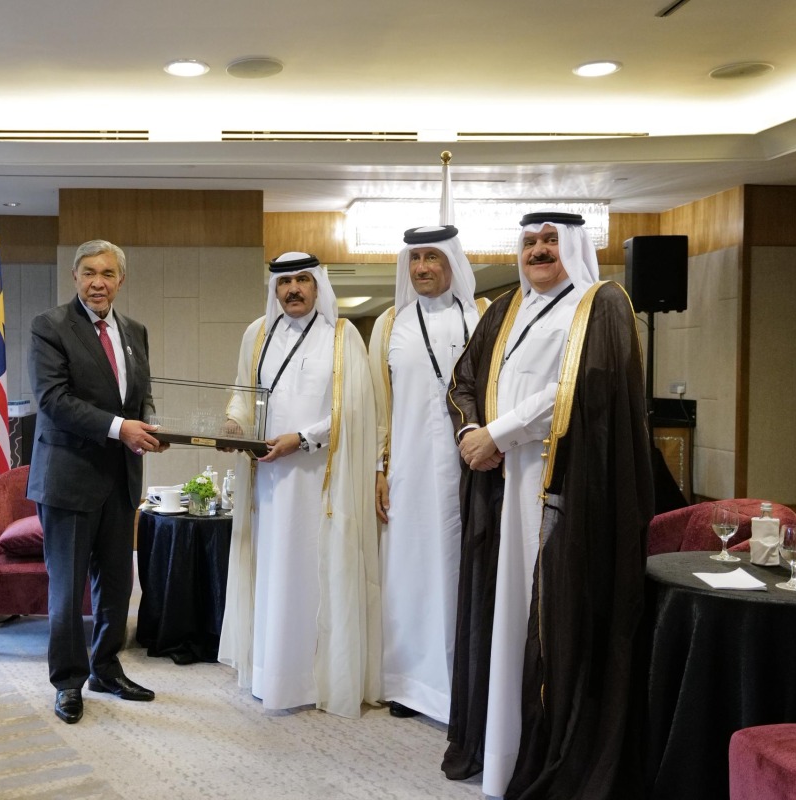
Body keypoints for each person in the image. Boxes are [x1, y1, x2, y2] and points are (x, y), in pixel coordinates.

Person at [441, 212, 653, 799]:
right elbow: (462, 379)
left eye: (550, 242)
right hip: (497, 483)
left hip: (558, 489)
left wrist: (498, 433)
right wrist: (471, 434)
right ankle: (499, 746)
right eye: (530, 242)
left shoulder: (599, 304)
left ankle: (542, 748)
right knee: (500, 612)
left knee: (544, 617)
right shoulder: (505, 307)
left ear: (574, 247)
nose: (538, 251)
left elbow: (581, 385)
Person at [218, 251, 380, 718]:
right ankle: (271, 674)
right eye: (285, 282)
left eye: (303, 280)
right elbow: (242, 391)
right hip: (267, 481)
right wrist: (234, 424)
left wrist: (303, 439)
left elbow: (353, 409)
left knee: (311, 571)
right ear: (274, 288)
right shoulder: (257, 334)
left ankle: (313, 679)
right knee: (272, 570)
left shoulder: (342, 337)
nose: (293, 290)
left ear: (318, 285)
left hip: (318, 482)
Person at [27, 239, 165, 725]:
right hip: (67, 478)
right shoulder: (50, 327)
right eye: (89, 272)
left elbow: (139, 397)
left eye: (107, 273)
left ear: (121, 279)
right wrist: (119, 428)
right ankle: (68, 681)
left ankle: (106, 668)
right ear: (75, 277)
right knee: (67, 590)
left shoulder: (136, 331)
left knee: (117, 585)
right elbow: (53, 399)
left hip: (121, 478)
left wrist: (150, 427)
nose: (98, 282)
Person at [368, 225, 480, 723]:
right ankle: (408, 683)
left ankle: (460, 682)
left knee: (459, 571)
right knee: (407, 574)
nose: (422, 269)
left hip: (468, 470)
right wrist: (378, 467)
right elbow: (376, 405)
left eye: (432, 258)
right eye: (414, 259)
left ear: (452, 262)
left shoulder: (480, 320)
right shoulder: (391, 324)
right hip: (408, 470)